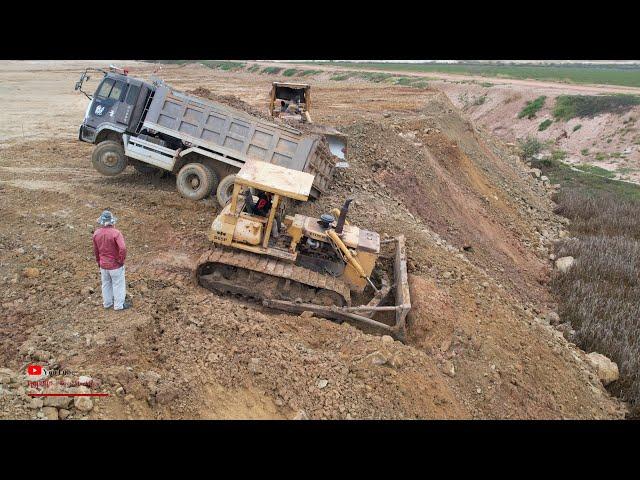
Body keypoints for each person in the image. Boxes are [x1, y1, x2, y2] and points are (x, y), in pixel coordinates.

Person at [92, 210, 130, 311]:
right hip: (115, 265)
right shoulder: (116, 233)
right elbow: (123, 248)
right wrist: (121, 260)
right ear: (112, 221)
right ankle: (118, 305)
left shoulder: (96, 234)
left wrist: (98, 262)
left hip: (103, 265)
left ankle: (107, 303)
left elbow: (96, 251)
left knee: (106, 284)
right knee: (118, 284)